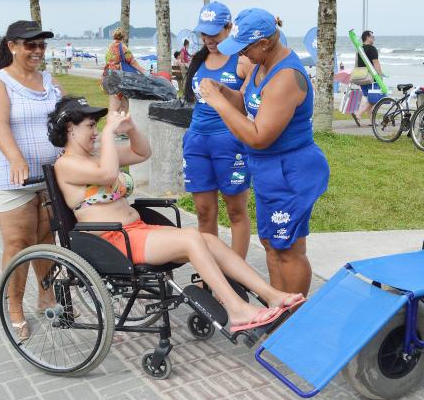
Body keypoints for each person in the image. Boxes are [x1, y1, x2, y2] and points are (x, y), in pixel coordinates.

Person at [49, 96, 304, 331]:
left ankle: (271, 295)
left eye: (96, 126)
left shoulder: (99, 156)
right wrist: (108, 134)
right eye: (90, 126)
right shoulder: (66, 164)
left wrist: (131, 128)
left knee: (210, 241)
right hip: (112, 241)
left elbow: (142, 153)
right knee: (192, 237)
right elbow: (106, 175)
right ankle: (236, 309)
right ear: (70, 128)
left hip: (135, 233)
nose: (95, 132)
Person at [199, 8, 330, 297]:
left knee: (289, 249)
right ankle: (277, 309)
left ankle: (293, 320)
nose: (241, 56)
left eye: (244, 49)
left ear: (264, 43)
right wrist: (223, 92)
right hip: (268, 169)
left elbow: (258, 137)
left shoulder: (285, 78)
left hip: (291, 170)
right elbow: (247, 104)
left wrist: (217, 104)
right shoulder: (260, 65)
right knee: (271, 244)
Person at [0, 20, 64, 340]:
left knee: (46, 237)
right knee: (18, 243)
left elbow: (64, 118)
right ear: (12, 46)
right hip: (10, 175)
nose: (37, 51)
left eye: (41, 45)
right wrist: (16, 157)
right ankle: (14, 306)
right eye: (30, 45)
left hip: (51, 174)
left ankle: (46, 296)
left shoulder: (49, 81)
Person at [181, 2, 253, 258]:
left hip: (230, 141)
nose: (208, 39)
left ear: (229, 28)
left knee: (235, 211)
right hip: (197, 141)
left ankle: (237, 274)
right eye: (204, 33)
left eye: (214, 32)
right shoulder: (199, 60)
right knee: (204, 212)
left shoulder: (242, 60)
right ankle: (209, 273)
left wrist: (223, 91)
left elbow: (248, 105)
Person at [103, 27, 146, 114]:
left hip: (109, 76)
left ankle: (120, 124)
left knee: (118, 103)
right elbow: (132, 62)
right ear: (124, 37)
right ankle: (117, 124)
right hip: (119, 78)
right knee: (119, 107)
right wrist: (145, 72)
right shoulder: (122, 47)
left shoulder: (109, 47)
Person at [353, 30, 384, 126]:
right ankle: (359, 113)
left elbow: (357, 63)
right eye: (372, 37)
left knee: (368, 99)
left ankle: (372, 121)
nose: (373, 38)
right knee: (374, 100)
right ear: (367, 37)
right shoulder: (372, 49)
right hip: (372, 78)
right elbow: (376, 63)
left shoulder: (360, 49)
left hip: (362, 77)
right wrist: (380, 77)